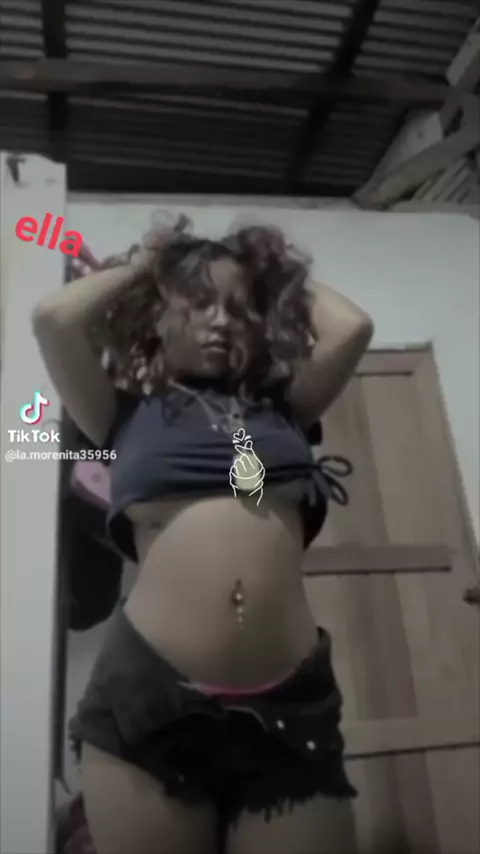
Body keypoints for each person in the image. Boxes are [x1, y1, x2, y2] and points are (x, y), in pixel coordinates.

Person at [33, 217, 373, 854]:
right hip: (154, 700)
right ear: (158, 314)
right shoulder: (119, 414)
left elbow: (351, 327)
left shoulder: (285, 409)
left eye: (239, 310)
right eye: (198, 303)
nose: (221, 321)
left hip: (288, 706)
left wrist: (271, 272)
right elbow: (55, 318)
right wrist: (153, 265)